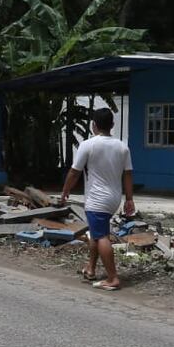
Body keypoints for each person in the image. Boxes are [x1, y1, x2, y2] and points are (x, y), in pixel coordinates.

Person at [59, 108, 135, 291]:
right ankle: (91, 268)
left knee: (101, 236)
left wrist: (65, 191)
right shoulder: (122, 146)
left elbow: (74, 172)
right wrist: (129, 199)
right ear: (113, 125)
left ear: (94, 125)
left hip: (97, 199)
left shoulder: (88, 144)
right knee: (97, 232)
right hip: (114, 198)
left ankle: (112, 278)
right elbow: (128, 175)